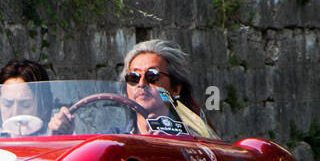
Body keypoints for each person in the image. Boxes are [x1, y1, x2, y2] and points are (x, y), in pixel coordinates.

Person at [49, 39, 217, 138]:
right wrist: (66, 133)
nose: (141, 83)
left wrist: (169, 142)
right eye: (133, 77)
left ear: (175, 89)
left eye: (152, 77)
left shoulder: (192, 139)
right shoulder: (116, 139)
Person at [0, 59, 55, 139]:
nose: (15, 113)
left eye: (25, 105)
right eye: (7, 104)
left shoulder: (53, 134)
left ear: (44, 106)